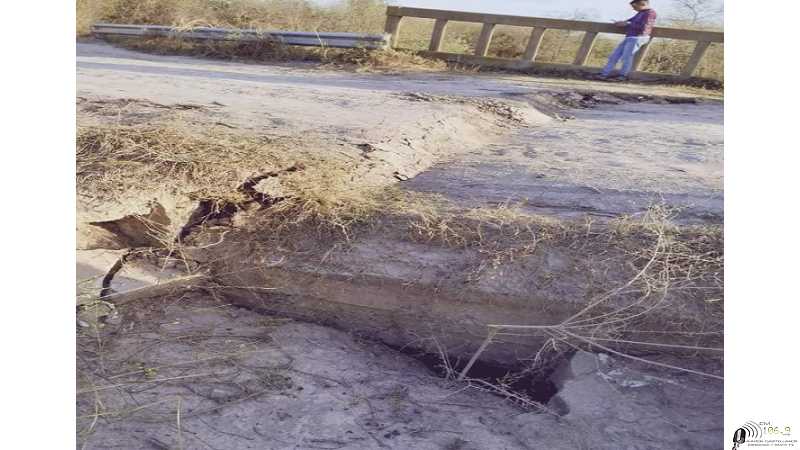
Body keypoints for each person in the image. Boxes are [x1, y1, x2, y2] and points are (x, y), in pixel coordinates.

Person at [599, 0, 657, 80]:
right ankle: (604, 74)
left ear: (642, 4)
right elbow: (630, 21)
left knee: (626, 57)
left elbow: (645, 27)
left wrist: (627, 24)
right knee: (614, 56)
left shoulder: (650, 13)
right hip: (630, 37)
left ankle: (622, 76)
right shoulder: (641, 12)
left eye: (635, 7)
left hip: (638, 37)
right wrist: (621, 22)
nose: (633, 9)